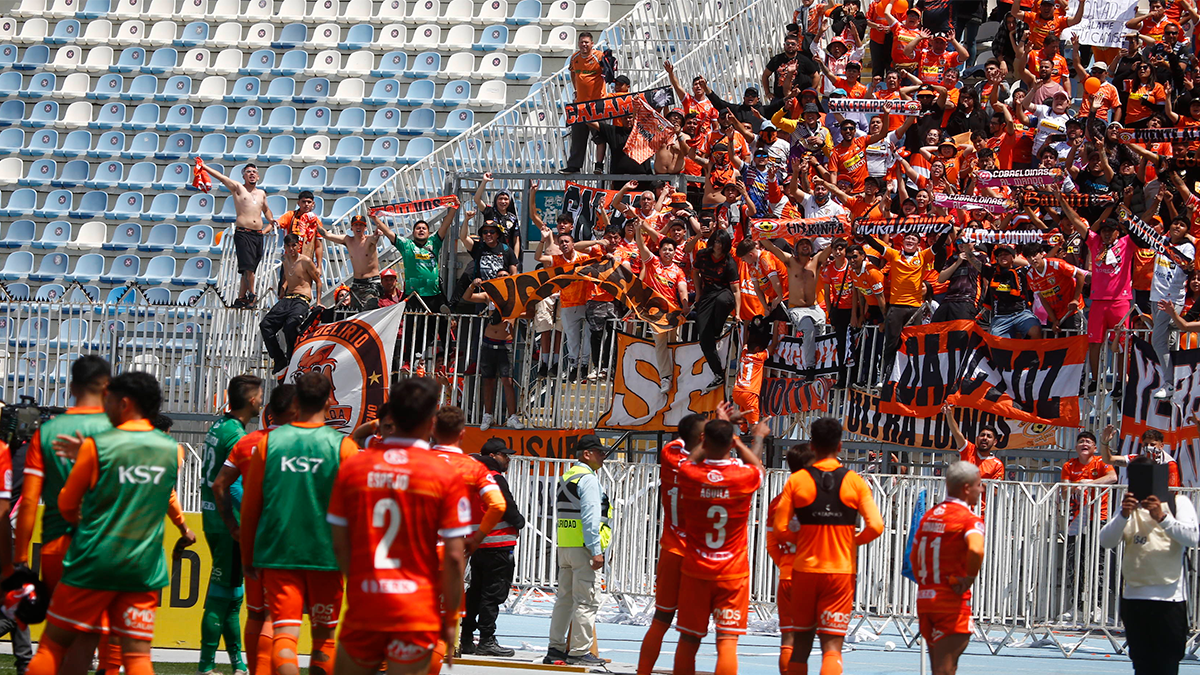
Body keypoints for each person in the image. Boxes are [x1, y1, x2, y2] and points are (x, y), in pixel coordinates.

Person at [26, 371, 195, 675]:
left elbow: (66, 504)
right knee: (138, 657)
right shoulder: (172, 451)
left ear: (125, 403)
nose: (105, 407)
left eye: (110, 401)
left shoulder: (98, 445)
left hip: (94, 559)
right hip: (144, 565)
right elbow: (162, 495)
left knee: (54, 644)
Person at [326, 377, 471, 675]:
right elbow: (456, 557)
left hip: (366, 603)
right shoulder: (444, 474)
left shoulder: (354, 467)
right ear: (432, 422)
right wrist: (449, 621)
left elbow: (339, 542)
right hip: (415, 608)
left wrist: (360, 582)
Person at [240, 372, 360, 675]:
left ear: (295, 401)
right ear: (330, 401)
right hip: (327, 555)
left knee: (284, 635)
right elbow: (357, 511)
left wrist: (247, 558)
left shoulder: (268, 444)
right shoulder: (345, 447)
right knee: (324, 641)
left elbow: (251, 507)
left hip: (279, 552)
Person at [773, 417, 883, 675]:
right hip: (840, 572)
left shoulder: (797, 481)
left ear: (812, 446)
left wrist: (801, 540)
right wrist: (851, 541)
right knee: (832, 647)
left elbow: (779, 529)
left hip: (805, 570)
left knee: (800, 644)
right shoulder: (854, 481)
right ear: (840, 445)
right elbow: (876, 526)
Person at [672, 416, 767, 675]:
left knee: (689, 640)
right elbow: (757, 466)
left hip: (696, 570)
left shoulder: (689, 473)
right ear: (730, 444)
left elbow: (689, 460)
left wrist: (709, 440)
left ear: (704, 441)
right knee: (727, 642)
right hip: (732, 572)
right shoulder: (743, 477)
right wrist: (751, 438)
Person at [211, 385, 296, 675]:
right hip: (289, 541)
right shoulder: (305, 444)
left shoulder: (248, 443)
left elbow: (218, 484)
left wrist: (233, 526)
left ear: (270, 411)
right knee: (279, 619)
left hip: (254, 539)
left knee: (256, 613)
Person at [1100, 455, 1198, 675]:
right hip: (1135, 598)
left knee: (1167, 664)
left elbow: (1192, 538)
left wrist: (1162, 517)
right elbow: (1106, 541)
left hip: (1169, 598)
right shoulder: (1127, 507)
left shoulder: (1178, 502)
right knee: (1142, 664)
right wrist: (1123, 515)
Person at [426, 406, 508, 670]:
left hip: (412, 552)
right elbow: (497, 505)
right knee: (443, 625)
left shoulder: (416, 461)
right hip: (449, 553)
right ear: (461, 434)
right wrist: (476, 539)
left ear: (433, 431)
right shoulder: (472, 467)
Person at [197, 375, 263, 675]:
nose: (263, 400)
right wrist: (250, 516)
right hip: (227, 522)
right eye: (261, 395)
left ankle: (236, 663)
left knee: (232, 594)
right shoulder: (236, 435)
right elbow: (232, 486)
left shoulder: (219, 426)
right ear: (252, 400)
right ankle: (206, 665)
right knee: (224, 594)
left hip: (213, 516)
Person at [636, 414, 707, 675]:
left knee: (661, 619)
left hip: (671, 548)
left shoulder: (670, 452)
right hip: (698, 555)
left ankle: (643, 671)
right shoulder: (711, 466)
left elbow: (682, 445)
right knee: (691, 631)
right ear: (703, 438)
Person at [911, 461, 985, 675]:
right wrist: (969, 578)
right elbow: (976, 550)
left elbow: (914, 556)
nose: (981, 489)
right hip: (950, 602)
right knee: (945, 669)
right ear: (966, 488)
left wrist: (925, 584)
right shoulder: (969, 520)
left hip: (926, 600)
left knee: (940, 668)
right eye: (979, 485)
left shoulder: (929, 516)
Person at [545, 435, 612, 667]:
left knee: (564, 599)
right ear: (586, 454)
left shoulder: (566, 477)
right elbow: (591, 518)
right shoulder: (589, 480)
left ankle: (555, 648)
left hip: (565, 545)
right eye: (600, 452)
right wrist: (596, 550)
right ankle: (579, 651)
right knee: (586, 601)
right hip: (584, 547)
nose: (604, 456)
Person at [461, 438, 525, 658]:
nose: (507, 459)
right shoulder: (494, 478)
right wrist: (519, 521)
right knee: (493, 594)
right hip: (498, 543)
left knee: (476, 592)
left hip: (479, 542)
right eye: (504, 455)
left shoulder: (471, 478)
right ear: (492, 456)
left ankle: (466, 637)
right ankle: (487, 639)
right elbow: (505, 506)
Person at [200, 162, 276, 308]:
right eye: (248, 172)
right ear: (244, 175)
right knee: (248, 268)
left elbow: (266, 209)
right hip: (243, 232)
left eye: (254, 171)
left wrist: (270, 220)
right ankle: (252, 294)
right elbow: (222, 178)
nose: (252, 174)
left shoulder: (261, 193)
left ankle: (241, 297)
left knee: (250, 268)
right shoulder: (238, 188)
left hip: (257, 234)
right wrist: (204, 167)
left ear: (258, 176)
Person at [1059, 431, 1116, 624]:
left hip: (1097, 518)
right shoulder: (1069, 465)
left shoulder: (1101, 462)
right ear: (1076, 447)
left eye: (1088, 441)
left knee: (1098, 563)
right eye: (1081, 441)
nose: (1084, 443)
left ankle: (1098, 606)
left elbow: (1112, 477)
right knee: (1075, 562)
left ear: (1094, 447)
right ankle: (1077, 606)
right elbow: (1065, 492)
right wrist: (1074, 487)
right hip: (1075, 520)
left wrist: (1089, 483)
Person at [767, 444, 814, 675]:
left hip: (787, 573)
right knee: (826, 641)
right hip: (816, 574)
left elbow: (771, 544)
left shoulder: (778, 501)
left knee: (788, 637)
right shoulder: (819, 497)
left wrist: (785, 563)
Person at [463, 275, 525, 430]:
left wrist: (513, 314)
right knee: (488, 381)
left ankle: (512, 416)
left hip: (506, 344)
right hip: (489, 342)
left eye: (505, 276)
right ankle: (488, 415)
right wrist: (472, 284)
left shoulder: (515, 296)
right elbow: (467, 297)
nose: (502, 278)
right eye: (500, 276)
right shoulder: (489, 294)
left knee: (507, 381)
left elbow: (530, 312)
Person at [373, 203, 458, 311]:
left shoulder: (435, 242)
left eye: (424, 228)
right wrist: (374, 218)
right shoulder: (406, 245)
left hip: (434, 295)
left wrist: (454, 209)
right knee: (412, 327)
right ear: (413, 232)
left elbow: (446, 224)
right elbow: (388, 232)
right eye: (418, 228)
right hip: (413, 295)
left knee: (437, 326)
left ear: (429, 233)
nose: (421, 230)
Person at [260, 233, 320, 377]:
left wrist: (318, 301)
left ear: (299, 245)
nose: (291, 248)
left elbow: (318, 281)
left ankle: (293, 357)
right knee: (265, 325)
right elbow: (288, 275)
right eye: (288, 246)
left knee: (290, 325)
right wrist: (282, 288)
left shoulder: (305, 261)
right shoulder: (285, 259)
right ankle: (279, 359)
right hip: (288, 297)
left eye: (294, 245)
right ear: (285, 247)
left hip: (302, 298)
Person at [1148, 218, 1195, 399]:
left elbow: (1186, 263)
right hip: (1155, 297)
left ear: (1186, 231)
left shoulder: (1187, 247)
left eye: (1182, 225)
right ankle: (1173, 380)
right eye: (1175, 223)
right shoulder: (1161, 241)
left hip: (1171, 301)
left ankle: (1169, 384)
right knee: (1167, 341)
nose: (1177, 226)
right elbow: (1142, 237)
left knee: (1157, 341)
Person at [690, 228, 742, 392]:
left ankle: (717, 329)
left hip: (724, 293)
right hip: (707, 294)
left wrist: (738, 314)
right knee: (704, 337)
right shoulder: (703, 254)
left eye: (721, 243)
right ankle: (718, 373)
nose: (718, 246)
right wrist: (698, 293)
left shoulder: (729, 261)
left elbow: (736, 290)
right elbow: (695, 272)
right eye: (716, 241)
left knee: (722, 300)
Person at [317, 215, 382, 310]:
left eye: (361, 225)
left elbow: (374, 238)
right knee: (355, 311)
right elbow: (327, 235)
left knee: (370, 308)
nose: (358, 227)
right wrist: (315, 223)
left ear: (365, 228)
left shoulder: (369, 240)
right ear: (352, 228)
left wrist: (377, 234)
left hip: (371, 282)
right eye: (356, 225)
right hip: (357, 282)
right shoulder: (348, 240)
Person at [563, 31, 605, 174]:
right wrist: (576, 90)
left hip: (596, 104)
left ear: (592, 44)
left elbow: (608, 72)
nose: (584, 44)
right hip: (580, 105)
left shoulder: (598, 56)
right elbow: (573, 73)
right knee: (578, 137)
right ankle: (574, 166)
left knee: (600, 136)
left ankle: (599, 165)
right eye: (581, 42)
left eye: (586, 42)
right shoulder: (575, 57)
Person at [1100, 425, 1183, 487]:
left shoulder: (1169, 464)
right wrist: (1104, 443)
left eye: (1153, 444)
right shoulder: (1136, 459)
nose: (1149, 447)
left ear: (1161, 446)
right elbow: (1108, 460)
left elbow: (1173, 491)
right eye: (1146, 444)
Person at [942, 402, 1006, 481]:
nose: (985, 438)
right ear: (977, 438)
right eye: (982, 435)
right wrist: (949, 414)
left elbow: (995, 490)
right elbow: (956, 433)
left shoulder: (997, 464)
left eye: (989, 436)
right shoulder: (969, 450)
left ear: (995, 442)